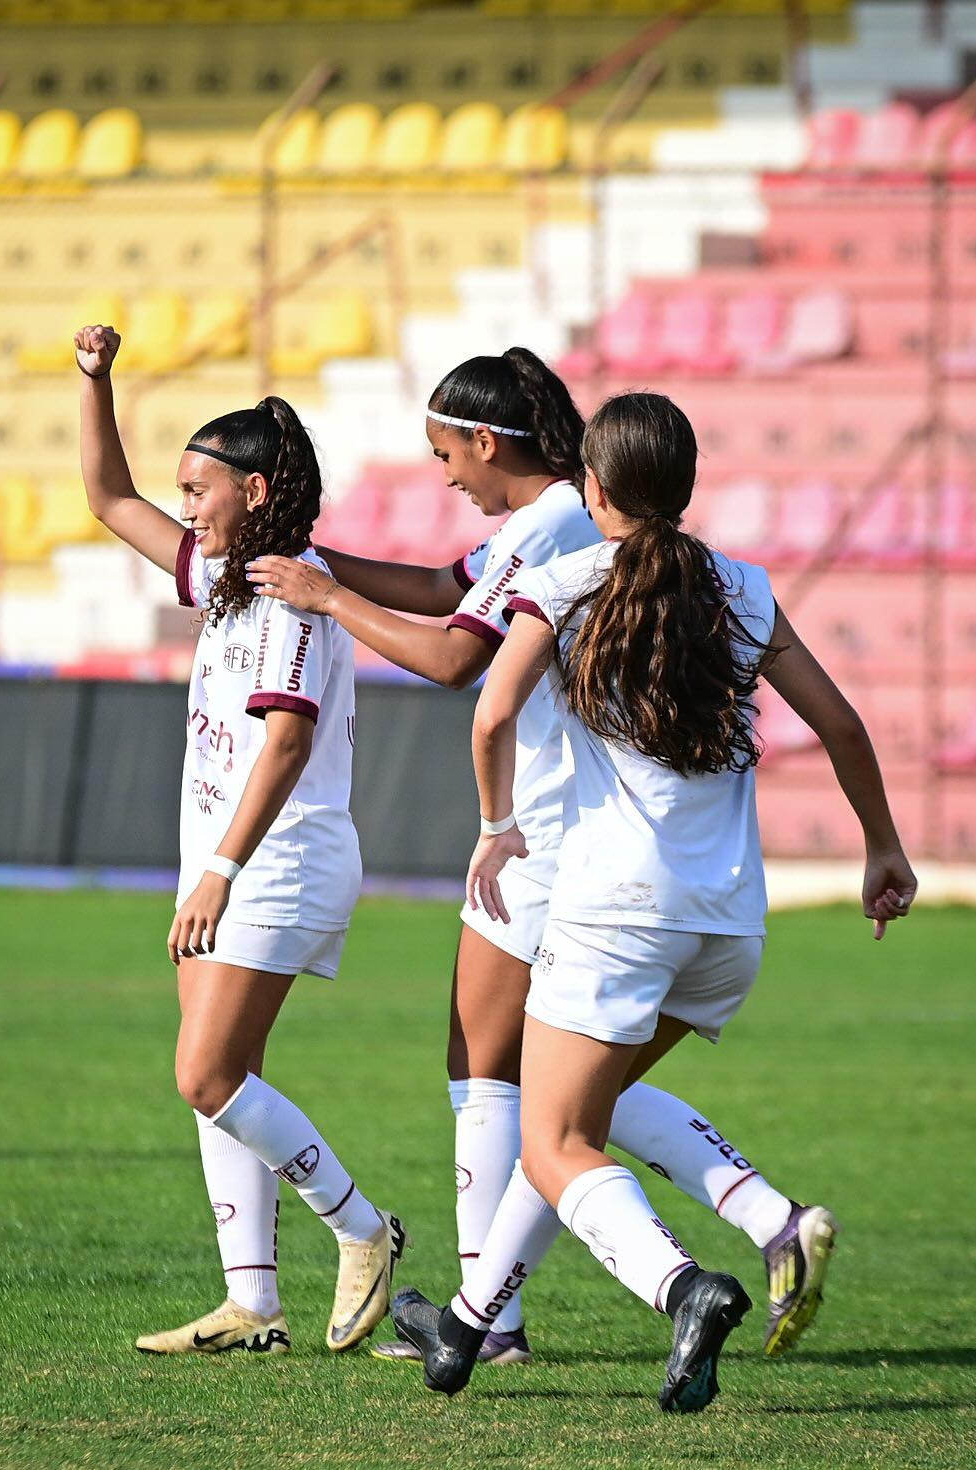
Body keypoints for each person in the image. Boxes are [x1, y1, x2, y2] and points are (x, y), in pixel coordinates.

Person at [248, 354, 840, 1366]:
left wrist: (327, 595)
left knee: (499, 1084)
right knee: (555, 1096)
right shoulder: (580, 531)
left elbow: (459, 660)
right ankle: (745, 1225)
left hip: (562, 849)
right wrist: (327, 571)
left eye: (446, 455)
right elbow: (448, 590)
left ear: (487, 441)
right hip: (672, 884)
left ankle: (528, 1316)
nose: (444, 478)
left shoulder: (570, 534)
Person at [389, 391, 917, 1413]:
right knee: (582, 1118)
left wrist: (497, 825)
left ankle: (684, 1289)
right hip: (727, 927)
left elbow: (490, 710)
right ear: (684, 484)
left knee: (552, 1142)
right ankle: (463, 1328)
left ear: (592, 489)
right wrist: (883, 848)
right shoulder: (746, 587)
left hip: (614, 915)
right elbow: (845, 727)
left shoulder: (565, 579)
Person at [74, 322, 406, 1359]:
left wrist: (218, 871)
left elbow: (288, 745)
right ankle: (252, 1304)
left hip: (276, 859)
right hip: (229, 863)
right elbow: (105, 499)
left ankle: (365, 1232)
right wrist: (97, 381)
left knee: (206, 1075)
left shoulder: (287, 594)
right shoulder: (225, 576)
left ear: (255, 492)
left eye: (200, 490)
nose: (183, 508)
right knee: (231, 1077)